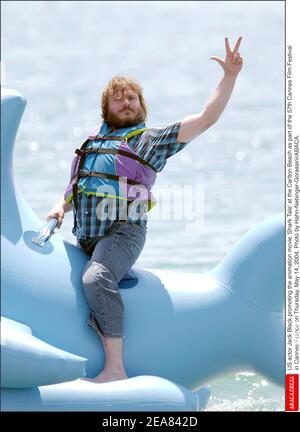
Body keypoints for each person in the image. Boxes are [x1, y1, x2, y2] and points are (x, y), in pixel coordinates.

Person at [46, 36, 243, 383]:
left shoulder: (146, 141)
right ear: (105, 108)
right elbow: (76, 187)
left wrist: (229, 77)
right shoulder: (92, 143)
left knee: (96, 276)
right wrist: (59, 207)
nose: (126, 102)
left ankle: (115, 369)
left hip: (124, 233)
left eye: (132, 98)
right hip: (87, 238)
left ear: (141, 106)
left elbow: (205, 119)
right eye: (118, 98)